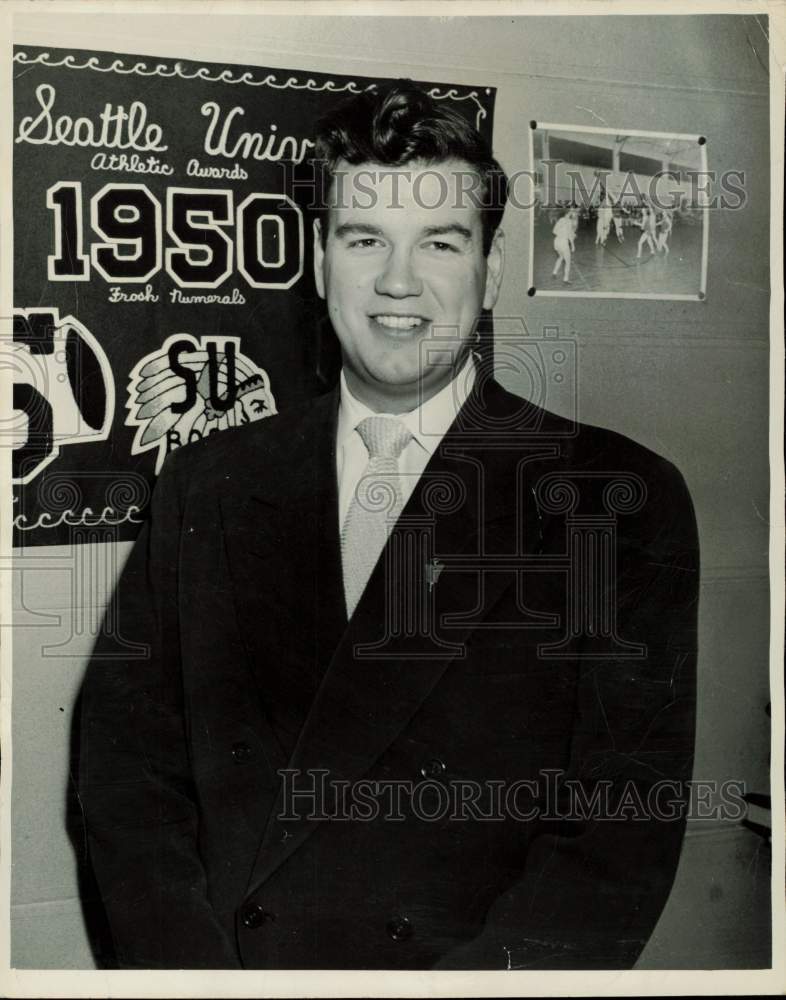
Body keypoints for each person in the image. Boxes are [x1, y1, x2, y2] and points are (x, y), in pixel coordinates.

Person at [77, 80, 699, 971]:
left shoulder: (613, 498)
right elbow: (126, 774)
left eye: (439, 244)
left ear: (487, 272)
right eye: (364, 238)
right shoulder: (211, 481)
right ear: (322, 264)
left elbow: (615, 843)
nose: (398, 282)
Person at [551, 207, 577, 283]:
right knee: (568, 261)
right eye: (572, 211)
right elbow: (569, 235)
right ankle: (566, 279)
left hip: (556, 241)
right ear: (569, 213)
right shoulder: (569, 221)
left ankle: (554, 272)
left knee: (561, 257)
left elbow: (554, 231)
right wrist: (572, 245)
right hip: (563, 242)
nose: (573, 213)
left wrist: (564, 233)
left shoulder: (561, 219)